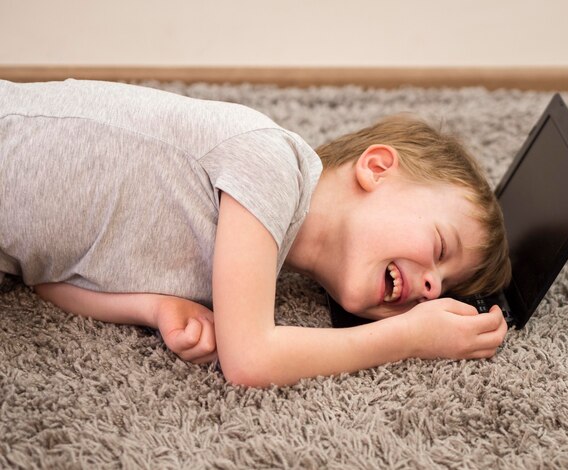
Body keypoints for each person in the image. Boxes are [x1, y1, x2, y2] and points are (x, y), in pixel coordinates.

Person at [0, 79, 511, 387]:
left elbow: (46, 277)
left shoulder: (243, 263)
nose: (431, 289)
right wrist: (409, 337)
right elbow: (249, 360)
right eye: (441, 249)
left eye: (443, 287)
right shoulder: (270, 164)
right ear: (375, 168)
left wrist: (151, 307)